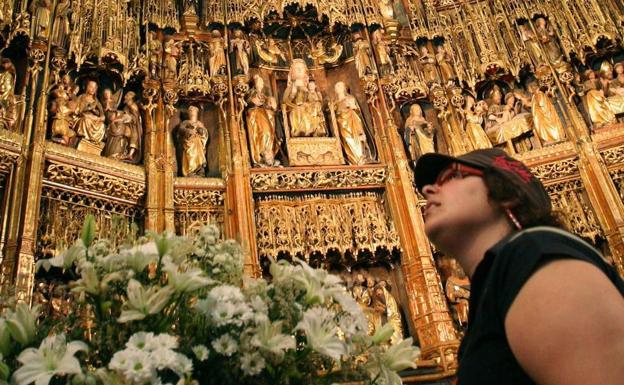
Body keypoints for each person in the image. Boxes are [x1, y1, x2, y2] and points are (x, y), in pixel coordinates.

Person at [413, 148, 624, 385]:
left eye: (451, 176)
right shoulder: (499, 282)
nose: (427, 190)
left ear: (507, 193)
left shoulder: (538, 255)